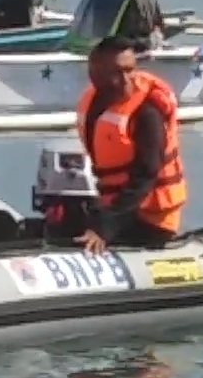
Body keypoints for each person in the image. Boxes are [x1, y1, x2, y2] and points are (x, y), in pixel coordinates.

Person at [64, 36, 188, 254]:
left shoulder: (147, 112)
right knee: (57, 221)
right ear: (95, 75)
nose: (126, 80)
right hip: (115, 206)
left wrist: (105, 227)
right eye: (116, 73)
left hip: (151, 219)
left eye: (130, 70)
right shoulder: (93, 104)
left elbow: (146, 175)